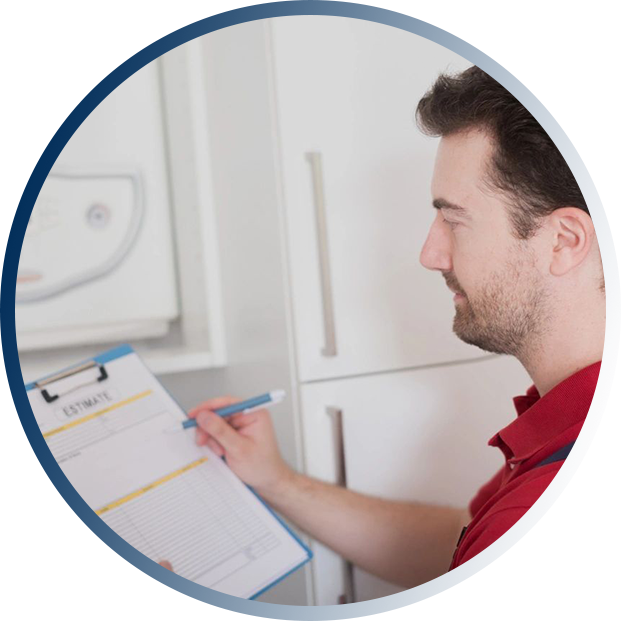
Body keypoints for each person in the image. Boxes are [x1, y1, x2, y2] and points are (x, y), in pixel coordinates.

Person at [162, 67, 605, 586]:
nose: (430, 253)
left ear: (563, 241)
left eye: (454, 219)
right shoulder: (561, 430)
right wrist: (275, 480)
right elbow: (462, 542)